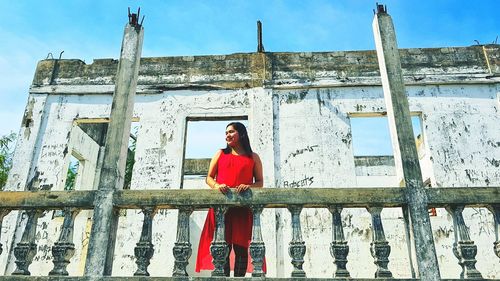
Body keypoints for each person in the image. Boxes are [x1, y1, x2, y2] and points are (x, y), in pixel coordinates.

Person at [195, 122, 264, 277]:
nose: (227, 135)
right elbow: (209, 178)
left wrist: (248, 186)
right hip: (221, 209)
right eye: (226, 132)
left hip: (242, 208)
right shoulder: (220, 153)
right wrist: (217, 186)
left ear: (242, 134)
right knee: (222, 247)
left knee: (241, 248)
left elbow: (260, 182)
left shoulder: (253, 157)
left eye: (231, 132)